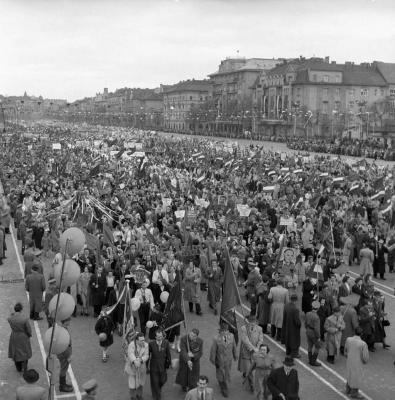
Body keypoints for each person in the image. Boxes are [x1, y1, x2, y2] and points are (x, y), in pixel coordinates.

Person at [209, 321, 237, 397]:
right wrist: (213, 361)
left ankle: (223, 383)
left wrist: (235, 355)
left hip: (228, 360)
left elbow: (234, 346)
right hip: (219, 360)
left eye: (226, 331)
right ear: (220, 331)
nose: (225, 332)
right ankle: (224, 388)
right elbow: (213, 351)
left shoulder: (232, 336)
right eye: (223, 331)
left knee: (227, 373)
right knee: (220, 374)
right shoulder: (216, 338)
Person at [238, 314, 264, 392]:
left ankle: (246, 375)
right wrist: (253, 348)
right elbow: (245, 340)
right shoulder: (243, 328)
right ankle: (252, 384)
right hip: (246, 352)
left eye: (254, 321)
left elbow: (261, 339)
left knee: (252, 369)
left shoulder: (259, 329)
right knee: (249, 369)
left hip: (255, 353)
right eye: (251, 321)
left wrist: (258, 347)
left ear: (256, 321)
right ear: (248, 321)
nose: (252, 323)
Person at [344, 327, 369, 399]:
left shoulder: (348, 339)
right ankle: (354, 393)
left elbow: (345, 350)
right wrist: (365, 361)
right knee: (356, 377)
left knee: (350, 373)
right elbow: (365, 357)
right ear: (361, 334)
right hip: (358, 362)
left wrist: (347, 356)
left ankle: (348, 389)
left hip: (349, 360)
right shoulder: (363, 344)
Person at [8, 302, 32, 372]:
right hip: (23, 336)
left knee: (16, 351)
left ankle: (18, 367)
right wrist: (29, 335)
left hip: (14, 335)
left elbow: (9, 318)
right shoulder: (24, 319)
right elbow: (28, 329)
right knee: (25, 351)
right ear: (21, 309)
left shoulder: (10, 318)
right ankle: (24, 367)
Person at [125, 332, 149, 400]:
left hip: (141, 368)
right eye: (141, 340)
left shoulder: (146, 345)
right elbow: (130, 354)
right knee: (132, 385)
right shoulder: (131, 345)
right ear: (137, 340)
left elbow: (146, 355)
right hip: (132, 368)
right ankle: (132, 397)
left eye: (143, 340)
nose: (143, 341)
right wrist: (135, 361)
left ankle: (139, 395)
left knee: (141, 383)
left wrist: (140, 360)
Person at [148, 329, 171, 400]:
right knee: (154, 382)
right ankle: (157, 396)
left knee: (163, 380)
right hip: (154, 366)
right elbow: (148, 355)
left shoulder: (166, 342)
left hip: (163, 366)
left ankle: (158, 389)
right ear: (155, 337)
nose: (160, 338)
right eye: (158, 337)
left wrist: (169, 363)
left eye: (161, 336)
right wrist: (146, 366)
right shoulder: (151, 344)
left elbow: (168, 354)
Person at [56, 317, 74, 393]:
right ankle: (62, 386)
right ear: (66, 321)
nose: (70, 321)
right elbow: (64, 344)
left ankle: (63, 384)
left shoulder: (62, 328)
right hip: (64, 352)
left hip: (63, 351)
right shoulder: (63, 330)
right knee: (63, 369)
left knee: (64, 368)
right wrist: (68, 356)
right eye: (69, 320)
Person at [281, 293, 301, 358]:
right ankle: (294, 354)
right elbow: (297, 321)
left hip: (287, 326)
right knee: (294, 340)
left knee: (288, 339)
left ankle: (288, 351)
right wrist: (299, 325)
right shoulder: (296, 309)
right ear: (296, 300)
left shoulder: (286, 306)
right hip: (293, 328)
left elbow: (284, 316)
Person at [304, 300, 322, 366]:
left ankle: (310, 359)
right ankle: (313, 361)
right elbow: (317, 329)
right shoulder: (317, 317)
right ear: (318, 308)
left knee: (310, 346)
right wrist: (318, 337)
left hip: (308, 330)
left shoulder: (307, 313)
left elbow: (305, 323)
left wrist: (307, 328)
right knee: (317, 346)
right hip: (314, 333)